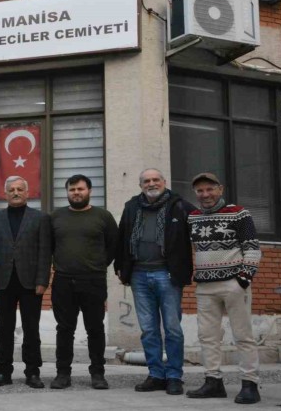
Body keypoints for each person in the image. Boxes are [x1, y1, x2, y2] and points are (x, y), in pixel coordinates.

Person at [115, 168, 195, 395]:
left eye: (155, 179)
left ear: (164, 181)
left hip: (167, 275)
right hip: (139, 275)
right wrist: (120, 267)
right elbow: (122, 237)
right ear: (140, 185)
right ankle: (156, 374)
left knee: (172, 328)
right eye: (146, 181)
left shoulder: (180, 206)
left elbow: (200, 233)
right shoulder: (132, 206)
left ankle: (174, 376)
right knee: (149, 330)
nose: (151, 183)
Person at [186, 172, 262, 404]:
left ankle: (250, 384)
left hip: (233, 284)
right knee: (207, 336)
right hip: (204, 287)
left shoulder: (239, 213)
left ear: (220, 189)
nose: (205, 194)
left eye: (210, 189)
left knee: (243, 335)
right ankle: (213, 382)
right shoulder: (193, 217)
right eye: (200, 191)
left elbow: (252, 247)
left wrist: (243, 279)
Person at [50, 174, 117, 390]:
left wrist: (98, 265)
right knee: (64, 329)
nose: (76, 193)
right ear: (67, 192)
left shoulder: (103, 216)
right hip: (63, 281)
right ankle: (62, 373)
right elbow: (49, 246)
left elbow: (113, 246)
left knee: (95, 328)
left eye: (80, 189)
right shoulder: (56, 217)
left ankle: (98, 373)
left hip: (93, 281)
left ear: (89, 191)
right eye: (72, 189)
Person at [0, 176, 51, 389]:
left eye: (20, 189)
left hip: (31, 282)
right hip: (3, 281)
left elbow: (44, 252)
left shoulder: (40, 218)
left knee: (31, 329)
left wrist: (42, 280)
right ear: (5, 193)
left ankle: (33, 372)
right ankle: (3, 372)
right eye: (11, 189)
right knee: (4, 329)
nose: (15, 192)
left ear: (27, 192)